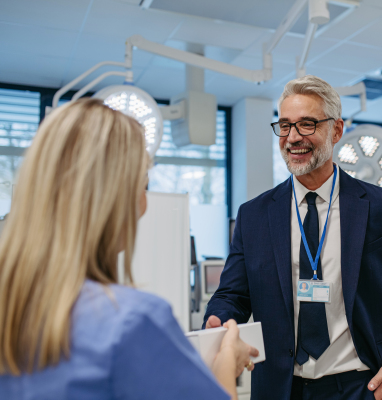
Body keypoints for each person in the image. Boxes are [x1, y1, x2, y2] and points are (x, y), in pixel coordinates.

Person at [204, 75, 382, 400]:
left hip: (367, 386)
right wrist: (218, 321)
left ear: (336, 130)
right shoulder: (254, 216)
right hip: (284, 389)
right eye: (285, 125)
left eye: (307, 124)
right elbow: (233, 295)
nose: (293, 137)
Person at [0, 99, 258, 400]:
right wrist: (226, 361)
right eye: (144, 184)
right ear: (114, 199)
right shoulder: (133, 321)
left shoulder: (13, 304)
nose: (144, 206)